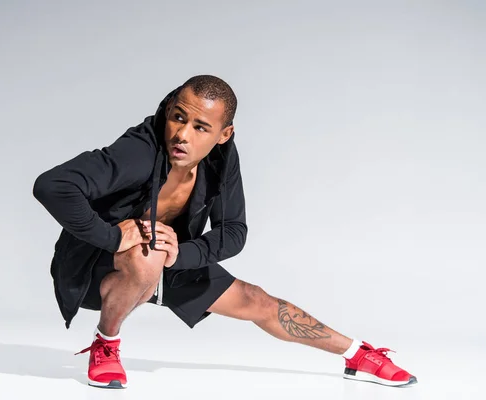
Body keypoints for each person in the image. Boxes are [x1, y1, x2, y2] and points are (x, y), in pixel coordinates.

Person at [32, 75, 417, 389]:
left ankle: (358, 354)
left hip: (167, 261)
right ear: (168, 111)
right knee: (146, 253)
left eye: (200, 127)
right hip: (97, 270)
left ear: (223, 134)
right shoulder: (139, 151)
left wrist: (184, 254)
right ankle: (107, 343)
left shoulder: (220, 162)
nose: (182, 135)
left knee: (256, 300)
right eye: (178, 118)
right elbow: (53, 185)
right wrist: (112, 237)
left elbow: (234, 231)